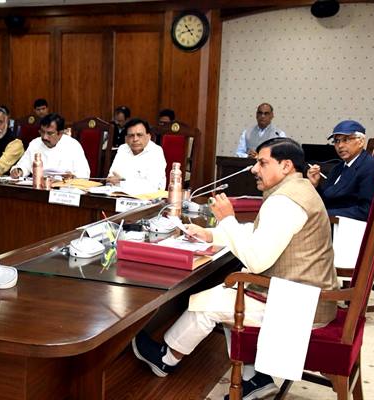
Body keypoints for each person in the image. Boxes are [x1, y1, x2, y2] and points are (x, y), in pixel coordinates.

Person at [132, 137, 338, 400]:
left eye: (262, 163)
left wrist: (227, 219)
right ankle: (255, 378)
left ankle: (166, 359)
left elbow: (257, 260)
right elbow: (261, 235)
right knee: (229, 292)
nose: (254, 169)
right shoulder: (300, 189)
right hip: (307, 294)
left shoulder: (286, 202)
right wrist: (212, 234)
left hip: (298, 305)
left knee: (208, 303)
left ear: (286, 166)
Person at [307, 120, 374, 221]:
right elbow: (326, 200)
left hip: (348, 225)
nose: (340, 146)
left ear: (361, 142)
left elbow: (365, 210)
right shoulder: (338, 167)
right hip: (327, 222)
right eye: (336, 141)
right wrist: (315, 185)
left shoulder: (371, 167)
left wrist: (325, 214)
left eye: (346, 140)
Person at [10, 113, 90, 179]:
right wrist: (18, 171)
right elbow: (23, 165)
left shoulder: (73, 145)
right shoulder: (35, 143)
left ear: (60, 133)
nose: (44, 137)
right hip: (39, 188)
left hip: (64, 190)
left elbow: (84, 174)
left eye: (50, 133)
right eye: (42, 132)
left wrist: (73, 177)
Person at [106, 118, 166, 191]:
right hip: (118, 195)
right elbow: (111, 178)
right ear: (126, 138)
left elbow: (152, 186)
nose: (135, 139)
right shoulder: (123, 149)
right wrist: (114, 181)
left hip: (146, 197)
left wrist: (122, 183)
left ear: (148, 136)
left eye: (139, 135)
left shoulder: (156, 151)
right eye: (131, 135)